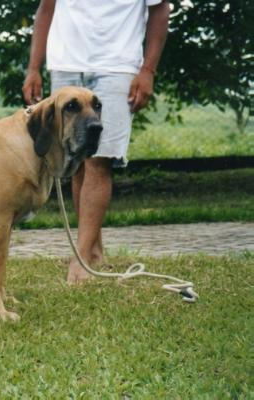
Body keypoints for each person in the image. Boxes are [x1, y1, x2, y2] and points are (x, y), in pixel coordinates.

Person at [23, 0, 170, 283]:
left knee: (99, 161)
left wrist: (147, 70)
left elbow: (160, 10)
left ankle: (80, 260)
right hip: (66, 63)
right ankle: (94, 251)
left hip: (116, 66)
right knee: (77, 161)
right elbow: (46, 8)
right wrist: (33, 67)